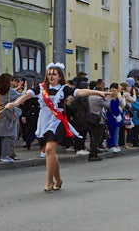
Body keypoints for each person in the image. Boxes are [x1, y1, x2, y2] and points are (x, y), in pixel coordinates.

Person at [35, 63, 107, 193]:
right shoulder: (41, 88)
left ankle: (49, 181)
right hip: (44, 122)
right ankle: (58, 180)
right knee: (50, 152)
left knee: (50, 149)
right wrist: (13, 103)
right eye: (49, 74)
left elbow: (80, 92)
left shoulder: (64, 88)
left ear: (59, 76)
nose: (51, 76)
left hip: (57, 121)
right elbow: (26, 96)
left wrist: (97, 92)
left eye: (54, 74)